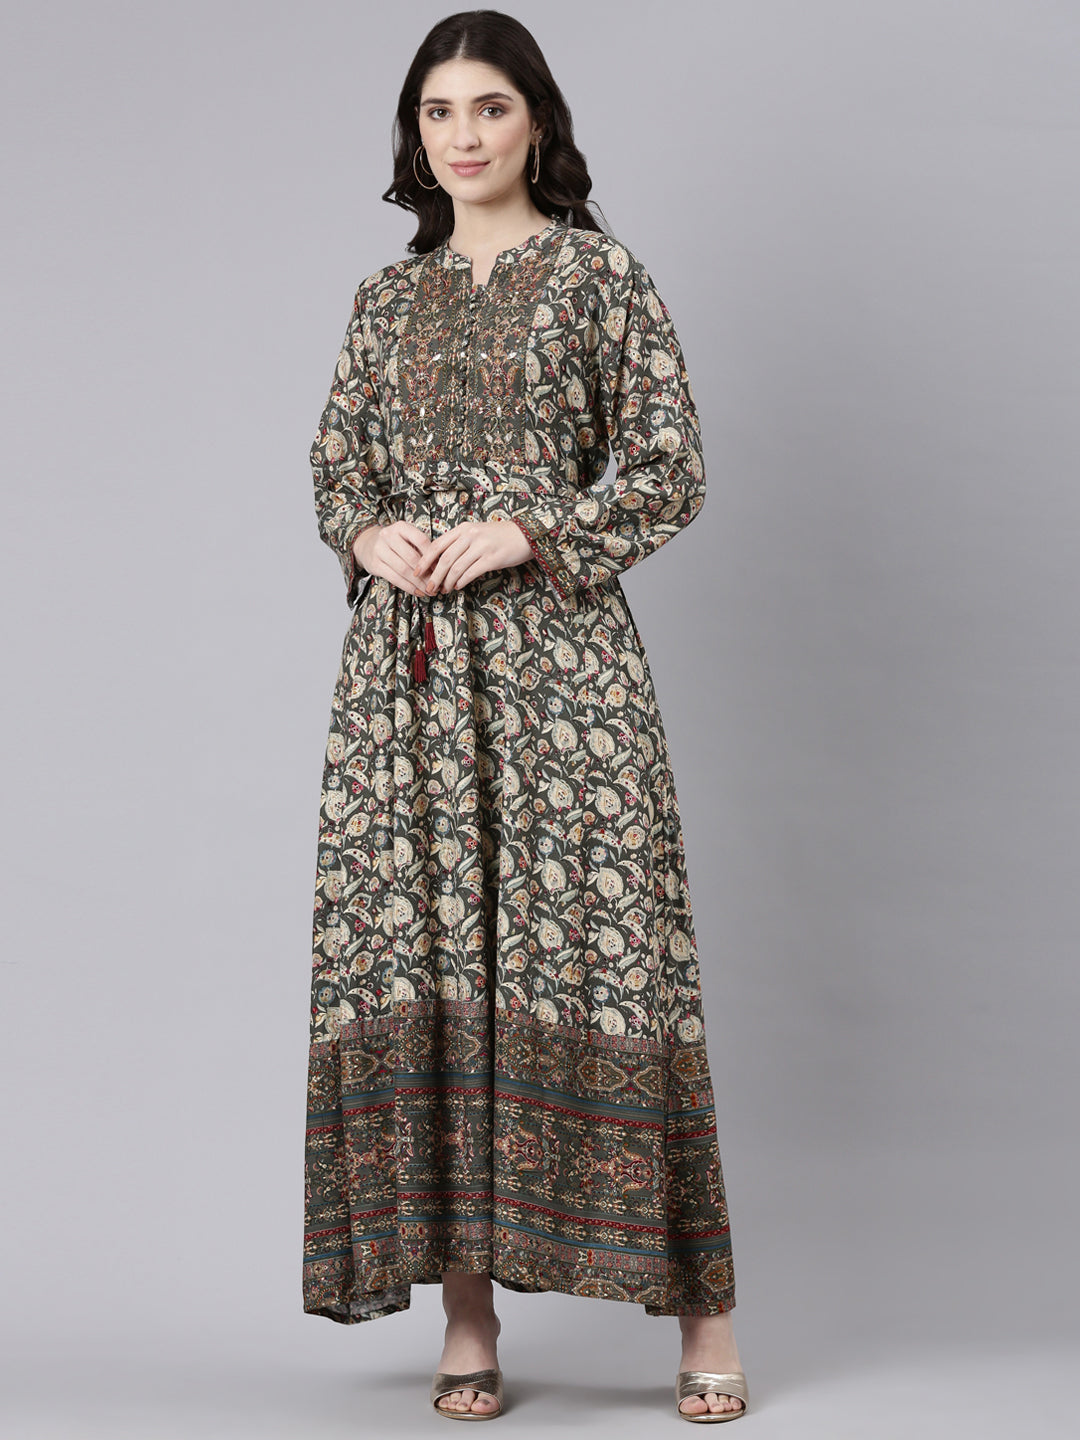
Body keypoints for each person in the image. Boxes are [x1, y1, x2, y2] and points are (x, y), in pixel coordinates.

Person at [302, 9, 748, 1425]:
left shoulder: (602, 277)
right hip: (409, 689)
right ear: (414, 135)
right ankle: (467, 1320)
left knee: (615, 964)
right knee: (434, 965)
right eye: (438, 112)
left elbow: (671, 467)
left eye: (490, 107)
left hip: (565, 677)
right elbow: (336, 468)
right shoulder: (385, 300)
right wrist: (366, 536)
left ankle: (705, 1319)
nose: (464, 135)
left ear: (537, 121)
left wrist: (528, 531)